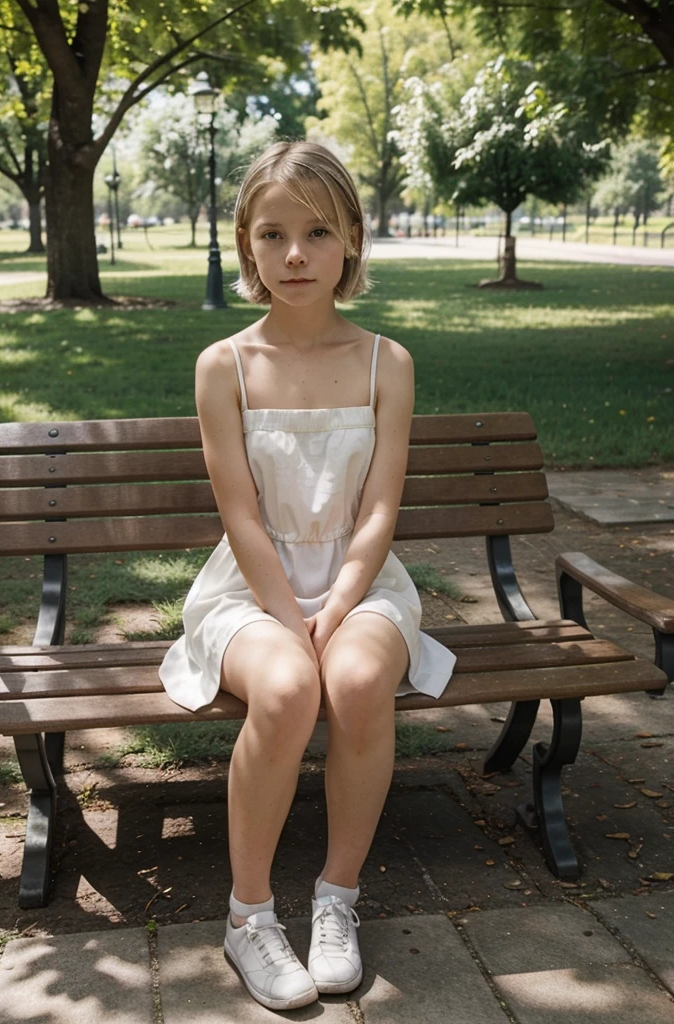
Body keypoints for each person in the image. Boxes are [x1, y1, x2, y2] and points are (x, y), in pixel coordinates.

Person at [159, 140, 456, 1011]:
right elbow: (242, 517)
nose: (296, 254)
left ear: (352, 241)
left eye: (318, 232)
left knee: (359, 680)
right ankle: (248, 917)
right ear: (246, 244)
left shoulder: (385, 363)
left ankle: (337, 900)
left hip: (362, 579)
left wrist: (343, 603)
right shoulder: (227, 367)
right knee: (287, 690)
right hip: (251, 586)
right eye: (274, 233)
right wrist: (291, 620)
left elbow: (378, 513)